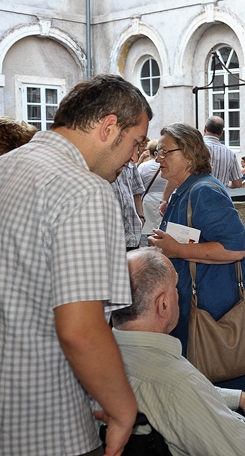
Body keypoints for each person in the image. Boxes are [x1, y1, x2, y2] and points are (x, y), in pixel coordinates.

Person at [0, 74, 151, 455]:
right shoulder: (85, 190)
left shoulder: (7, 167)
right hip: (50, 424)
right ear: (108, 127)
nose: (135, 157)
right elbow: (81, 330)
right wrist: (123, 410)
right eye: (136, 143)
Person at [113, 248, 245, 456]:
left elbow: (187, 395)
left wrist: (241, 398)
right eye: (175, 287)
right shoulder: (177, 382)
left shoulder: (107, 356)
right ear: (163, 304)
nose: (179, 294)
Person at [148, 123, 245, 393]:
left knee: (221, 389)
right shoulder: (185, 189)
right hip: (199, 305)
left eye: (165, 152)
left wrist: (177, 249)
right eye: (158, 152)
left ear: (189, 154)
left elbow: (236, 247)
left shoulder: (202, 191)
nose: (159, 158)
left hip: (212, 311)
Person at [138, 139, 168, 245]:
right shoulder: (168, 165)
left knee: (148, 229)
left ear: (149, 151)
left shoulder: (143, 166)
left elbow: (137, 184)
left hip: (148, 201)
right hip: (165, 199)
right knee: (163, 229)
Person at [111, 161, 146, 251]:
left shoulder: (131, 164)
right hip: (112, 232)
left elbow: (136, 192)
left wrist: (141, 217)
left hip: (132, 230)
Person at [204, 115, 243, 188]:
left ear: (205, 128)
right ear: (222, 132)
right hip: (220, 193)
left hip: (197, 193)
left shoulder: (195, 147)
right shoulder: (230, 153)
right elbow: (238, 184)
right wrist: (224, 184)